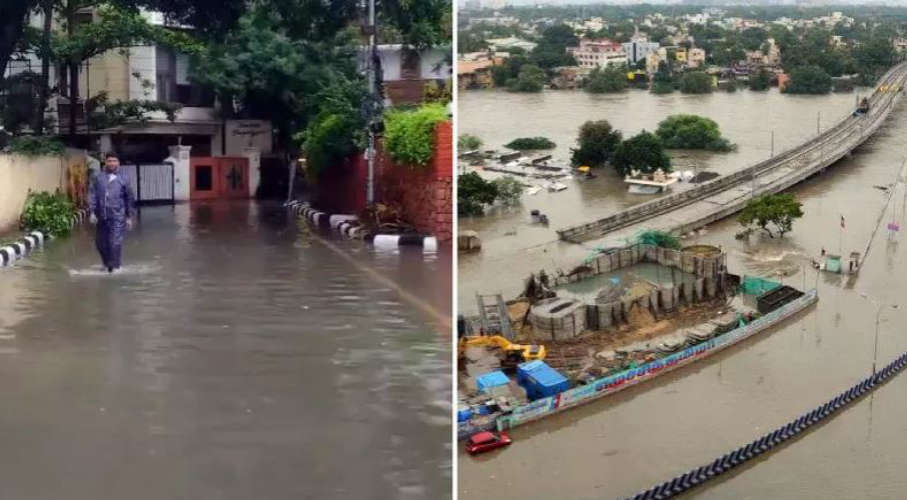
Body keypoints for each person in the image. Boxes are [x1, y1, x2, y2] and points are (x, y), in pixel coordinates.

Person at [88, 153, 135, 272]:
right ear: (105, 162)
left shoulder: (124, 178)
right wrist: (92, 212)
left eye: (114, 161)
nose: (112, 163)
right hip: (101, 216)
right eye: (109, 161)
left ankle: (115, 267)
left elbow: (129, 197)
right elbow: (93, 195)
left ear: (118, 163)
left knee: (115, 242)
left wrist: (129, 217)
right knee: (100, 243)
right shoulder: (98, 177)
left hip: (117, 216)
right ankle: (106, 264)